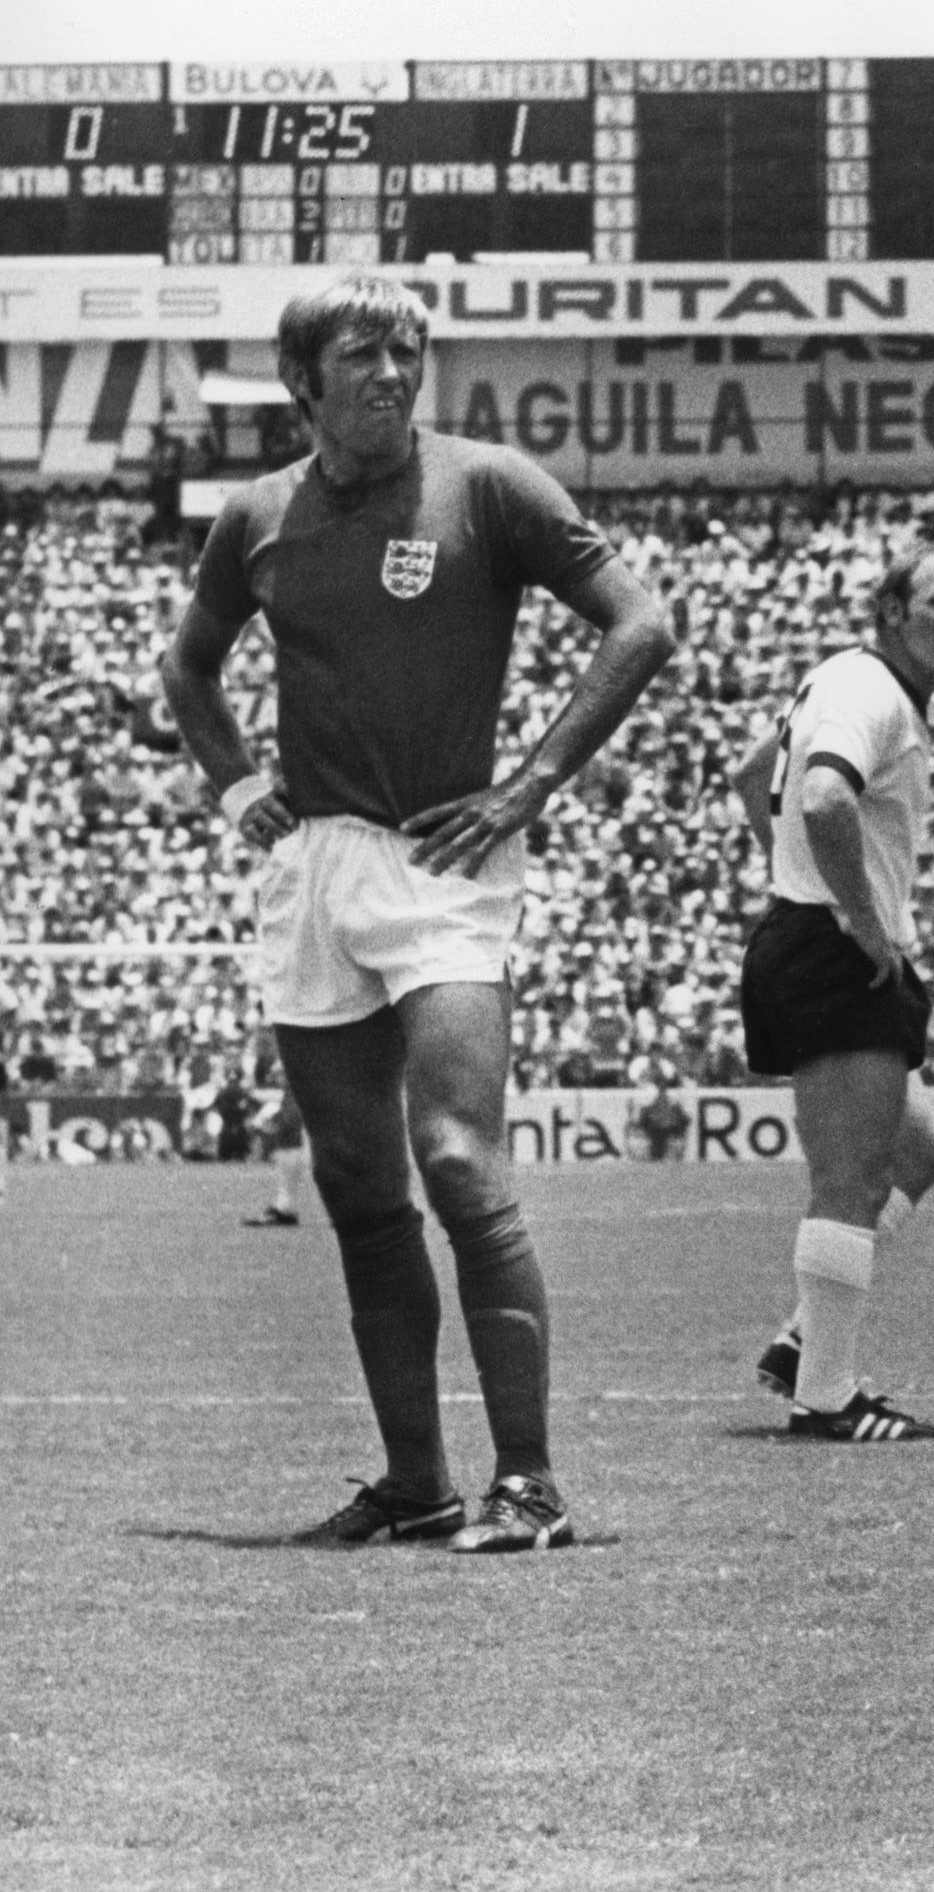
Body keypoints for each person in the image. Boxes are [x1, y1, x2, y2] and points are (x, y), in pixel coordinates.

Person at [159, 272, 676, 1551]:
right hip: (314, 868)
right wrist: (237, 786)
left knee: (456, 1157)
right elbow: (189, 665)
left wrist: (530, 784)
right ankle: (415, 1482)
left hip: (445, 862)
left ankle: (530, 1481)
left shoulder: (488, 485)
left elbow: (641, 623)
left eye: (409, 350)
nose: (394, 372)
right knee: (356, 1182)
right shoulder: (256, 514)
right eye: (364, 353)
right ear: (303, 381)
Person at [733, 544, 934, 1443]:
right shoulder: (870, 688)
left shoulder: (853, 683)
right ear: (890, 610)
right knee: (848, 1181)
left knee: (917, 1151)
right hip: (834, 947)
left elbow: (751, 775)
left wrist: (803, 887)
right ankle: (828, 1395)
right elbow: (824, 800)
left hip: (820, 935)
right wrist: (856, 917)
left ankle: (805, 1338)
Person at [244, 1084, 309, 1226]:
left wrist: (268, 1127)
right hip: (294, 1144)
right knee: (287, 1183)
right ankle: (285, 1209)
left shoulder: (293, 1091)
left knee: (287, 1180)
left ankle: (284, 1211)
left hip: (291, 1145)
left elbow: (289, 1118)